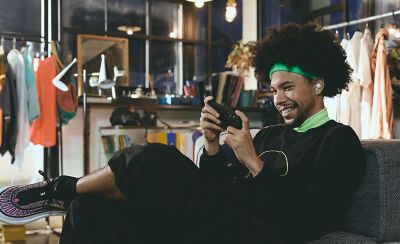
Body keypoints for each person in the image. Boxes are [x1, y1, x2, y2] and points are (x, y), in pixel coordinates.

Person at [0, 23, 365, 243]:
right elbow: (219, 184)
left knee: (153, 157)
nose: (279, 98)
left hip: (258, 232)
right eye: (274, 89)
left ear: (318, 85)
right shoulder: (270, 135)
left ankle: (60, 189)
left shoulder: (339, 141)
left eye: (288, 87)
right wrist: (210, 148)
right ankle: (70, 196)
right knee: (90, 209)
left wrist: (254, 162)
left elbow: (310, 216)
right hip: (219, 214)